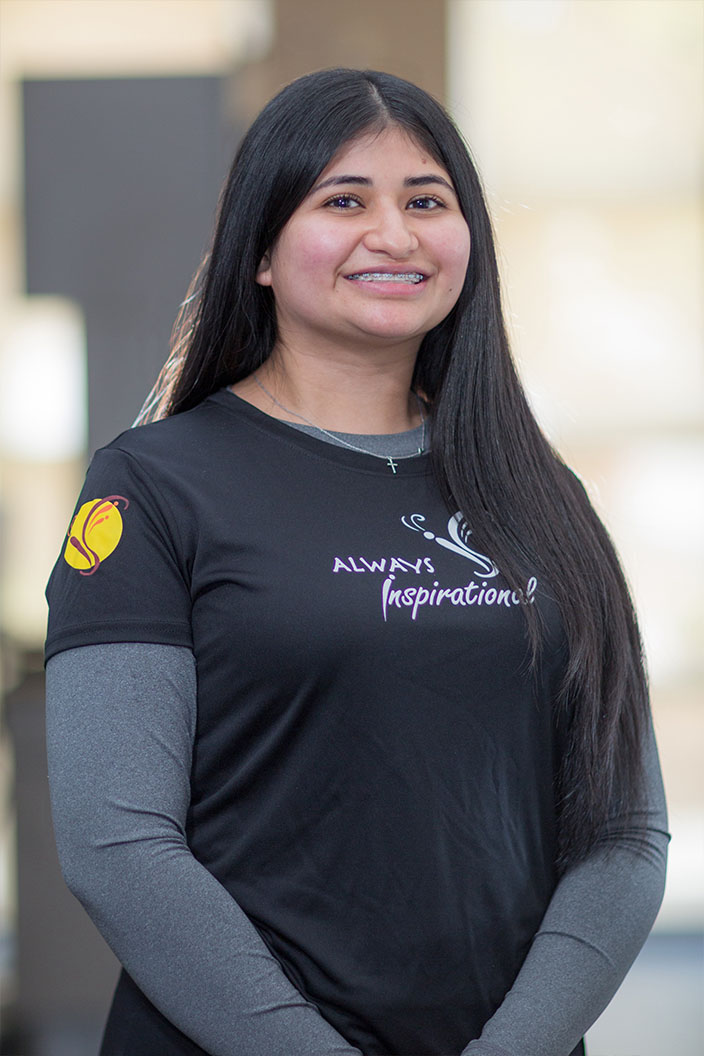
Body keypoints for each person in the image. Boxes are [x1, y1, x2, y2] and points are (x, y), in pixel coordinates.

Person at [44, 69, 669, 1056]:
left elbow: (622, 833)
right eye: (344, 200)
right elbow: (115, 844)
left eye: (426, 200)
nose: (395, 234)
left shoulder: (541, 496)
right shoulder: (152, 486)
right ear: (256, 249)